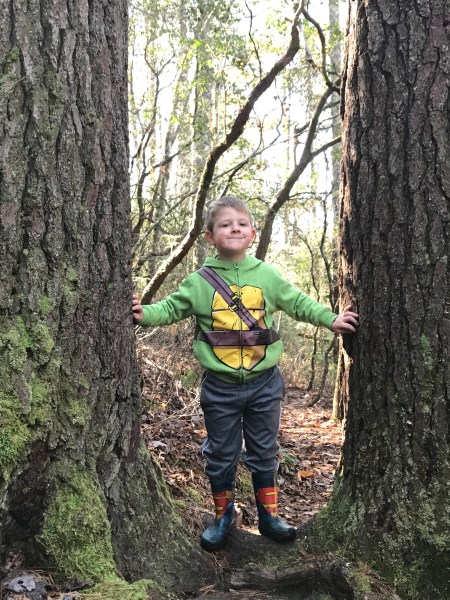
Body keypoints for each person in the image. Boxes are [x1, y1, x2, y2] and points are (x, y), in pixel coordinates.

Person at [132, 196, 358, 552]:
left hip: (264, 383)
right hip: (219, 386)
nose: (234, 229)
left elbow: (297, 302)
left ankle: (269, 516)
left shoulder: (267, 275)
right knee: (221, 452)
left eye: (241, 224)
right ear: (210, 237)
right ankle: (223, 516)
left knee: (264, 449)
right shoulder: (198, 282)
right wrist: (144, 313)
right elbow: (171, 308)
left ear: (252, 233)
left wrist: (331, 320)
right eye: (225, 224)